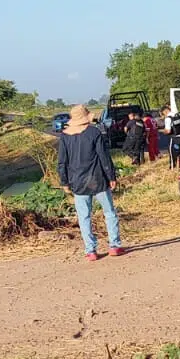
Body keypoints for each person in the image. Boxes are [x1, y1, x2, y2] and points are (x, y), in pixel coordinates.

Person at [56, 104, 124, 260]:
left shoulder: (65, 136)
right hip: (98, 179)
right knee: (109, 212)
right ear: (86, 117)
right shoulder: (94, 132)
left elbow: (62, 162)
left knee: (84, 217)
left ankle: (90, 250)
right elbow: (104, 156)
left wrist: (64, 182)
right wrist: (111, 176)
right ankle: (114, 246)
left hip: (77, 182)